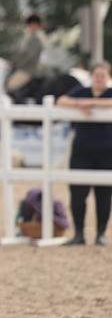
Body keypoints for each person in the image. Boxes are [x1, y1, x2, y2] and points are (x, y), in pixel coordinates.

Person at [58, 60, 112, 246]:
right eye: (97, 75)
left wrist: (87, 103)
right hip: (82, 149)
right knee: (78, 193)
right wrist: (80, 103)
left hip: (107, 150)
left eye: (103, 76)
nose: (99, 79)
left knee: (104, 194)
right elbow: (61, 100)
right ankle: (79, 233)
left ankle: (100, 234)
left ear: (108, 77)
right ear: (91, 77)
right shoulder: (81, 91)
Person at [6, 13, 46, 101]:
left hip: (29, 69)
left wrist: (17, 65)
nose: (29, 26)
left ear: (36, 25)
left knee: (10, 85)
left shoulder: (36, 39)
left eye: (32, 24)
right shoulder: (28, 37)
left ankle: (18, 103)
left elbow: (29, 56)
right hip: (25, 67)